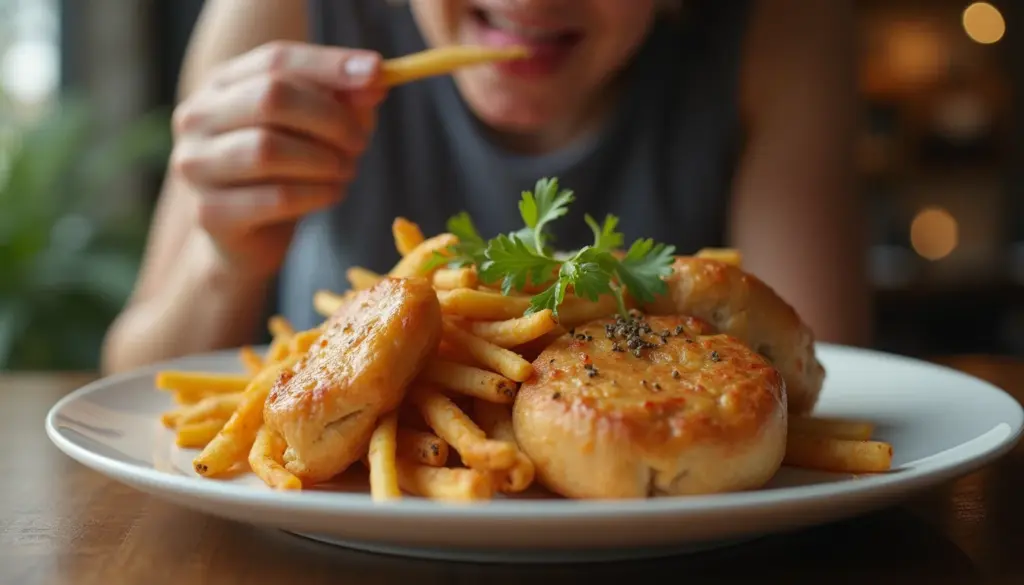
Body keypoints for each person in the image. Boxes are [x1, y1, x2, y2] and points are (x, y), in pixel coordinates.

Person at [101, 0, 870, 374]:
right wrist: (222, 259)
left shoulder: (783, 28)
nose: (530, 3)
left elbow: (818, 375)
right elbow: (134, 380)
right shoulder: (282, 12)